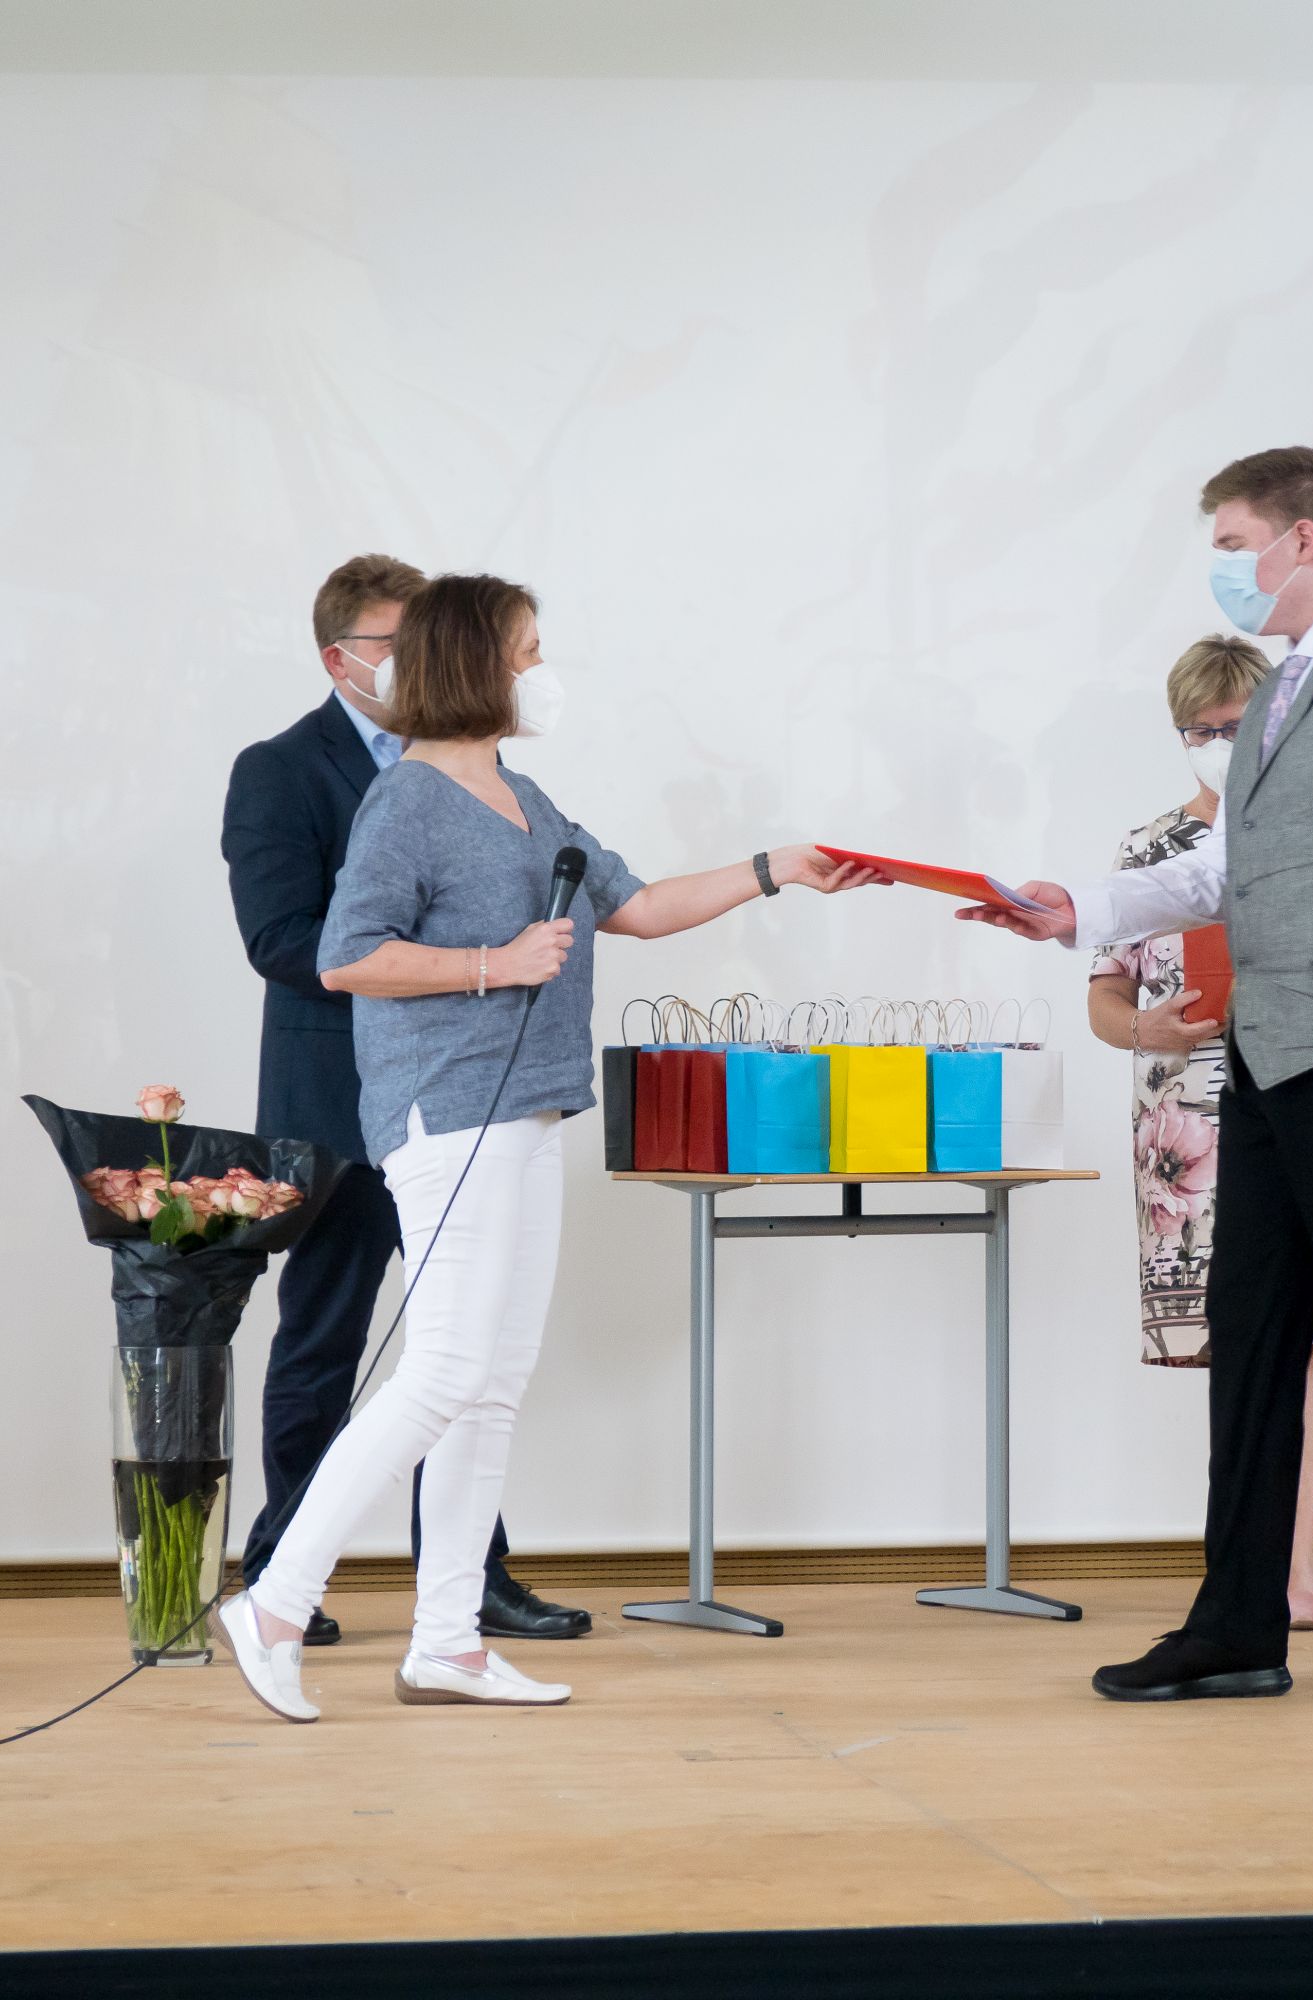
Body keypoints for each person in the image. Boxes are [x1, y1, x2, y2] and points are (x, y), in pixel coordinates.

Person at [213, 571, 879, 1721]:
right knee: (442, 1374)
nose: (538, 671)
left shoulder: (521, 794)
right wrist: (493, 964)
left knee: (491, 1382)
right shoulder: (407, 801)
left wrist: (776, 867)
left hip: (528, 1110)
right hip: (447, 1115)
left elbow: (638, 905)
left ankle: (448, 1641)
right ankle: (273, 1603)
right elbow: (343, 953)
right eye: (526, 652)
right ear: (477, 661)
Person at [963, 447, 1313, 1705]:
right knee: (1251, 1326)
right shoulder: (1283, 684)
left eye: (1230, 542)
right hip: (1281, 1044)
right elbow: (1230, 870)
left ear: (1299, 538)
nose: (1219, 566)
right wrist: (1078, 910)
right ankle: (1236, 1621)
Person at [222, 555, 588, 1646]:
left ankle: (465, 1585)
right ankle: (283, 1569)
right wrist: (450, 962)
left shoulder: (490, 774)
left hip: (474, 1091)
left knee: (466, 1349)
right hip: (338, 1094)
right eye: (396, 642)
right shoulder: (283, 769)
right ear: (342, 659)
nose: (421, 658)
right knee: (328, 1336)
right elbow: (287, 942)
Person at [1089, 633, 1313, 1632]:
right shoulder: (1146, 848)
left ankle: (1296, 1566)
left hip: (1293, 1100)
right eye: (1195, 728)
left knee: (1300, 1341)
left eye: (1232, 725)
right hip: (1181, 1122)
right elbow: (1104, 999)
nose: (1213, 742)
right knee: (1232, 1347)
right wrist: (1143, 1027)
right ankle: (1240, 1567)